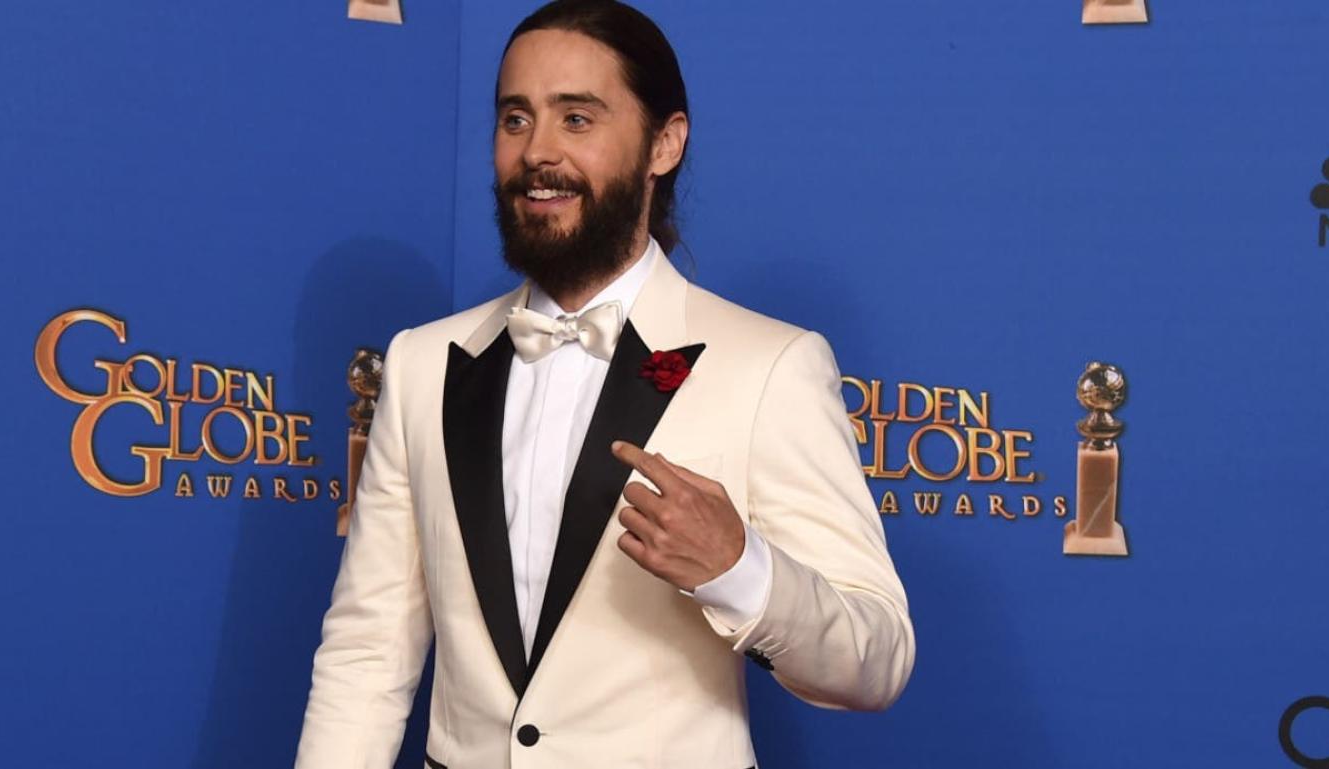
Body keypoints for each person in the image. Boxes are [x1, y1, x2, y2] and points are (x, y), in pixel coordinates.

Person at [295, 1, 914, 766]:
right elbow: (367, 651)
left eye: (577, 119)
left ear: (664, 143)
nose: (537, 151)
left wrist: (740, 569)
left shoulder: (769, 364)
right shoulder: (423, 363)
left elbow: (878, 658)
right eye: (515, 119)